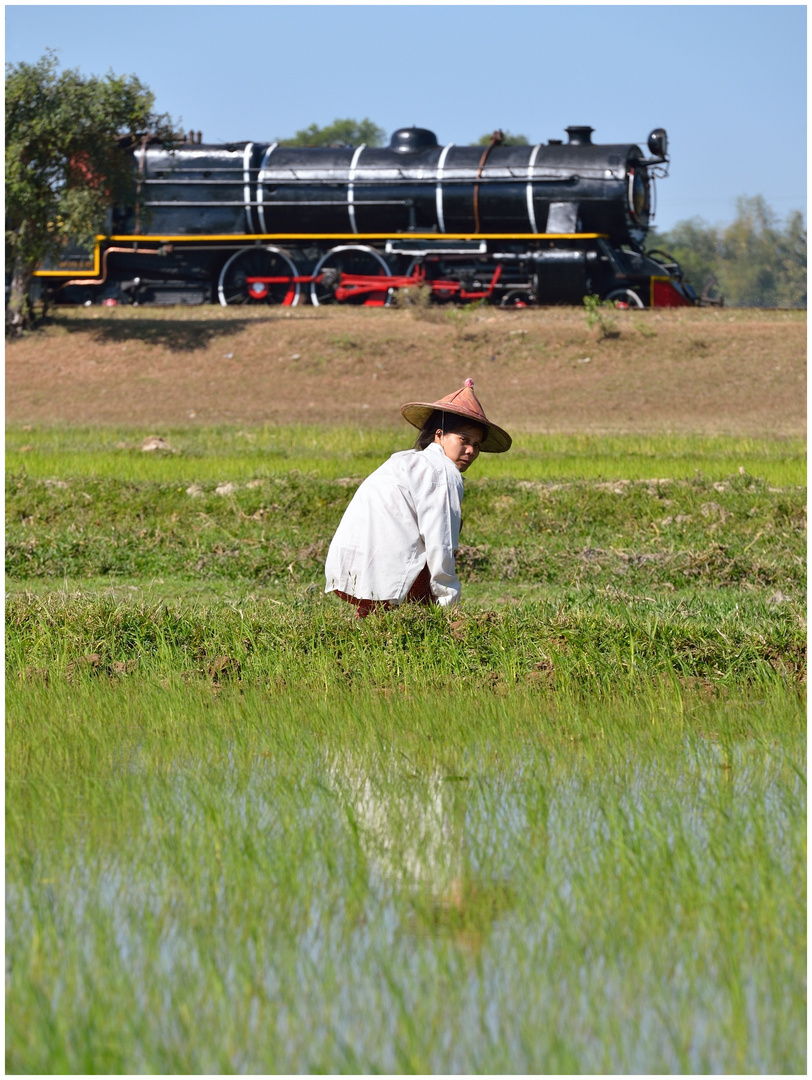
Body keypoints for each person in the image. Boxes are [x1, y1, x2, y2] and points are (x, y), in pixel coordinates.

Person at [324, 378, 511, 617]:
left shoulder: (405, 460)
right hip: (386, 569)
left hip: (350, 568)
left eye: (476, 445)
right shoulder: (442, 471)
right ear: (439, 435)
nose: (471, 451)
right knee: (423, 612)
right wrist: (448, 602)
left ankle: (374, 623)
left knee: (380, 626)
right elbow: (440, 540)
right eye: (464, 440)